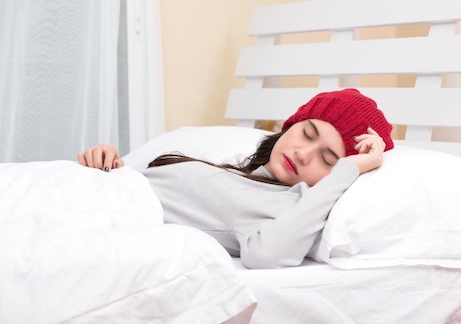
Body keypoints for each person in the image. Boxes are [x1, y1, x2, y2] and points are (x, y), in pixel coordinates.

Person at [77, 88, 394, 268]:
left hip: (97, 215)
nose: (302, 153)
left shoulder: (291, 205)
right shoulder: (241, 175)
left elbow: (267, 254)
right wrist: (110, 166)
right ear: (289, 126)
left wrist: (348, 170)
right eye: (306, 133)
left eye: (327, 158)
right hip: (90, 193)